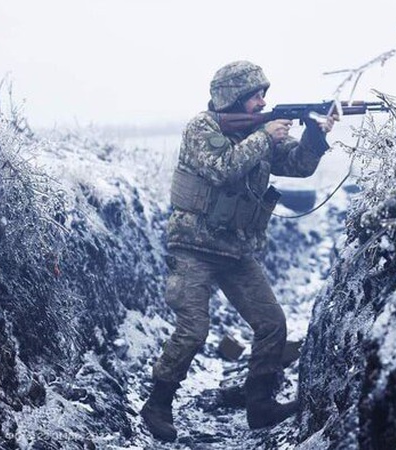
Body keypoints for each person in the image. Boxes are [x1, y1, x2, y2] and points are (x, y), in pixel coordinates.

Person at [140, 61, 336, 442]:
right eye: (255, 96)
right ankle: (158, 404)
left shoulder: (259, 132)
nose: (263, 101)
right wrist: (265, 135)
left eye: (264, 94)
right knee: (193, 330)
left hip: (236, 249)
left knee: (272, 324)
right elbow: (220, 168)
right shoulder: (204, 127)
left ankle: (260, 404)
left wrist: (315, 135)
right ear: (233, 97)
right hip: (193, 245)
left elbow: (298, 166)